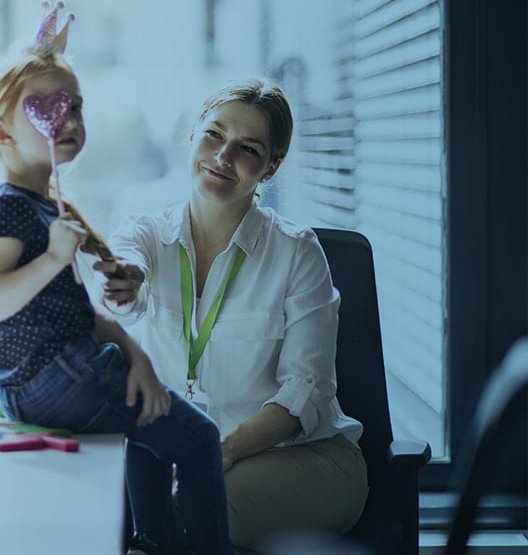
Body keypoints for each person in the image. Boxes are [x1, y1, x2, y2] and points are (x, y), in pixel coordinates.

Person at [0, 2, 233, 555]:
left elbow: (68, 314)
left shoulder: (39, 204)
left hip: (36, 381)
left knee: (146, 419)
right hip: (51, 379)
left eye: (75, 107)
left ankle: (151, 541)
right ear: (2, 132)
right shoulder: (11, 210)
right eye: (45, 107)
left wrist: (133, 351)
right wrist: (47, 262)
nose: (67, 120)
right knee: (201, 438)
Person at [94, 79, 369, 551]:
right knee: (118, 508)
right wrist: (126, 283)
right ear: (192, 136)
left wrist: (218, 452)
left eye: (247, 148)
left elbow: (306, 392)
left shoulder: (297, 253)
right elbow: (126, 279)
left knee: (179, 513)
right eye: (214, 134)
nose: (222, 156)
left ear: (271, 167)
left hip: (303, 460)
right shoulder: (144, 233)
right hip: (183, 461)